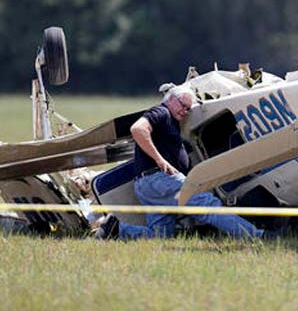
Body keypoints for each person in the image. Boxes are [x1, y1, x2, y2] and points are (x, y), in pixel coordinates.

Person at [94, 86, 266, 240]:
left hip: (148, 185)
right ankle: (256, 236)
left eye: (188, 109)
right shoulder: (161, 112)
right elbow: (137, 129)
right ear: (170, 99)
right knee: (208, 205)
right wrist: (160, 160)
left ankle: (116, 228)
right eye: (182, 105)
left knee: (160, 236)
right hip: (159, 179)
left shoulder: (172, 122)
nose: (185, 111)